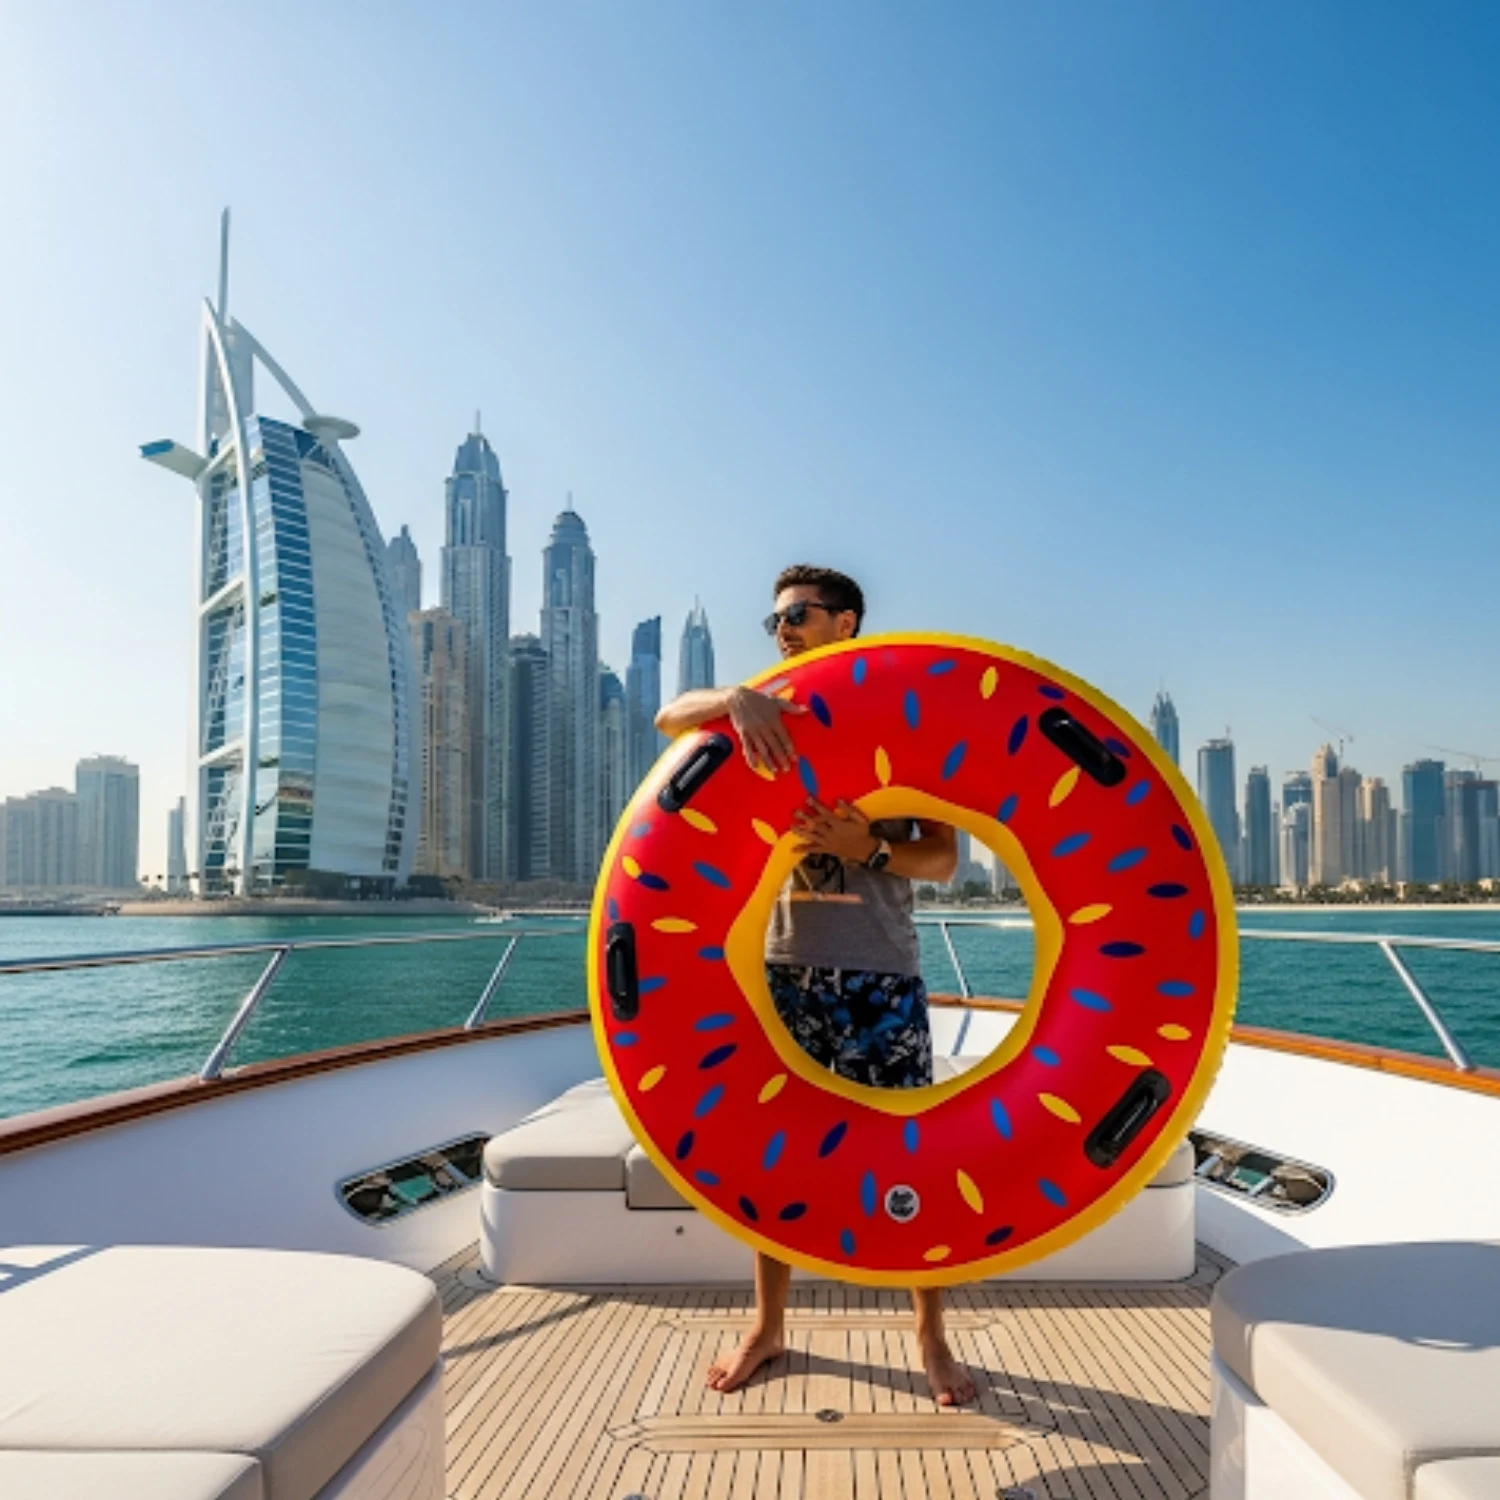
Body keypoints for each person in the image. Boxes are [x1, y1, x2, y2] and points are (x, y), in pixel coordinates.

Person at [655, 563, 978, 1407]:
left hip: (882, 976)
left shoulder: (911, 723)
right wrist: (740, 697)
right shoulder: (766, 709)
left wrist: (863, 842)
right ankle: (767, 1328)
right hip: (790, 974)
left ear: (848, 623)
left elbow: (941, 858)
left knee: (912, 1157)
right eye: (774, 622)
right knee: (779, 1158)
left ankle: (929, 1337)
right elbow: (666, 716)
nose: (784, 631)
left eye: (798, 616)